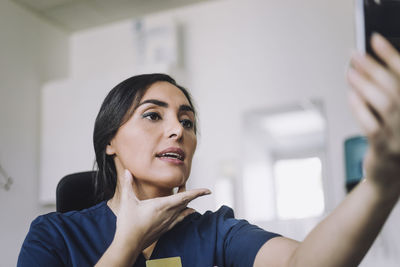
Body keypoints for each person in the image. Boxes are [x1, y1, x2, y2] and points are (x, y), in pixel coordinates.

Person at [18, 33, 399, 267]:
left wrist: (381, 183)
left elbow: (304, 262)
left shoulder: (217, 231)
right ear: (109, 142)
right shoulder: (53, 234)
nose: (177, 131)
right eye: (153, 116)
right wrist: (127, 242)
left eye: (187, 122)